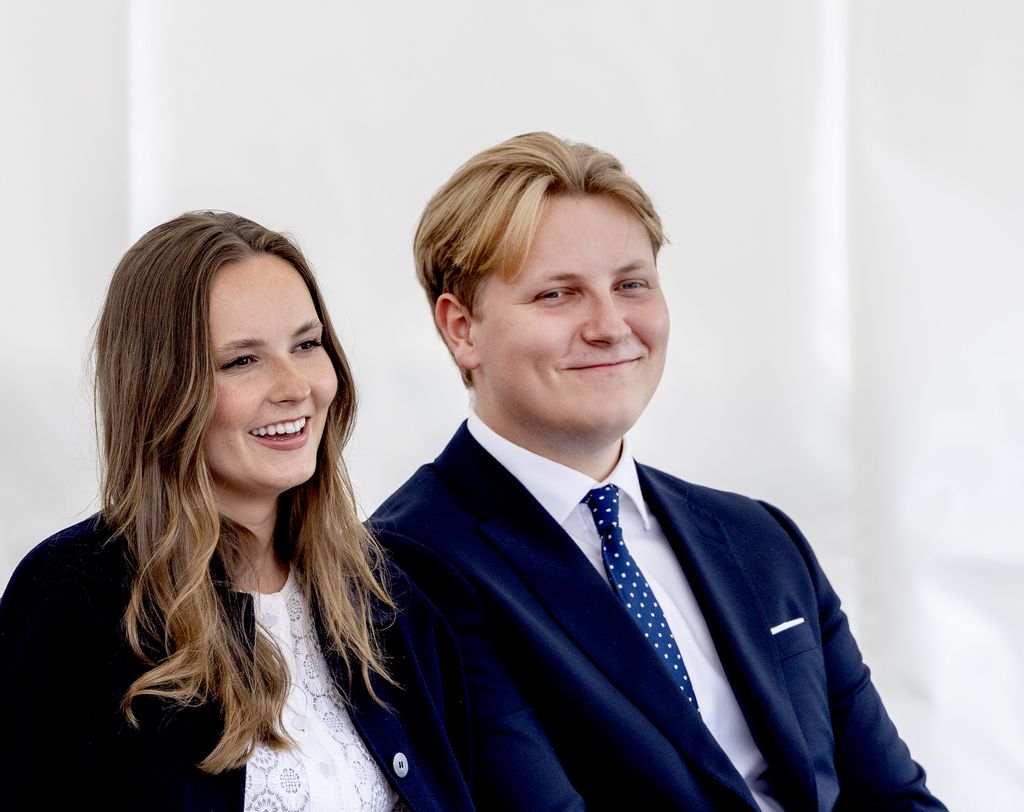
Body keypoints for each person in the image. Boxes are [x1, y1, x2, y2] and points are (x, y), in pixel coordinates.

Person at [370, 133, 947, 810]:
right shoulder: (408, 568)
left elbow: (897, 798)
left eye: (631, 284)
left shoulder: (759, 538)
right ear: (462, 329)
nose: (611, 325)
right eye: (558, 295)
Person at [0, 212, 473, 811]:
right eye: (241, 361)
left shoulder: (391, 602)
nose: (295, 384)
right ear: (162, 389)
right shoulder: (74, 599)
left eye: (306, 344)